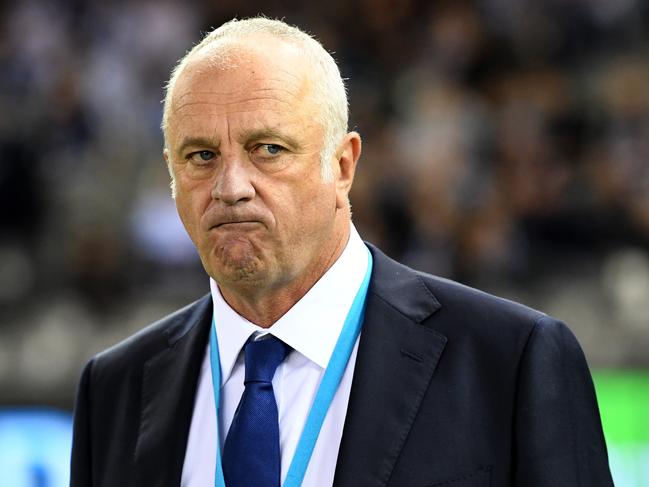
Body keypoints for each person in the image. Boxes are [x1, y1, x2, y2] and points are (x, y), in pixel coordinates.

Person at [70, 17, 614, 487]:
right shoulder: (116, 388)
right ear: (170, 173)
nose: (230, 185)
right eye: (201, 155)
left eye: (268, 149)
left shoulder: (510, 361)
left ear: (344, 165)